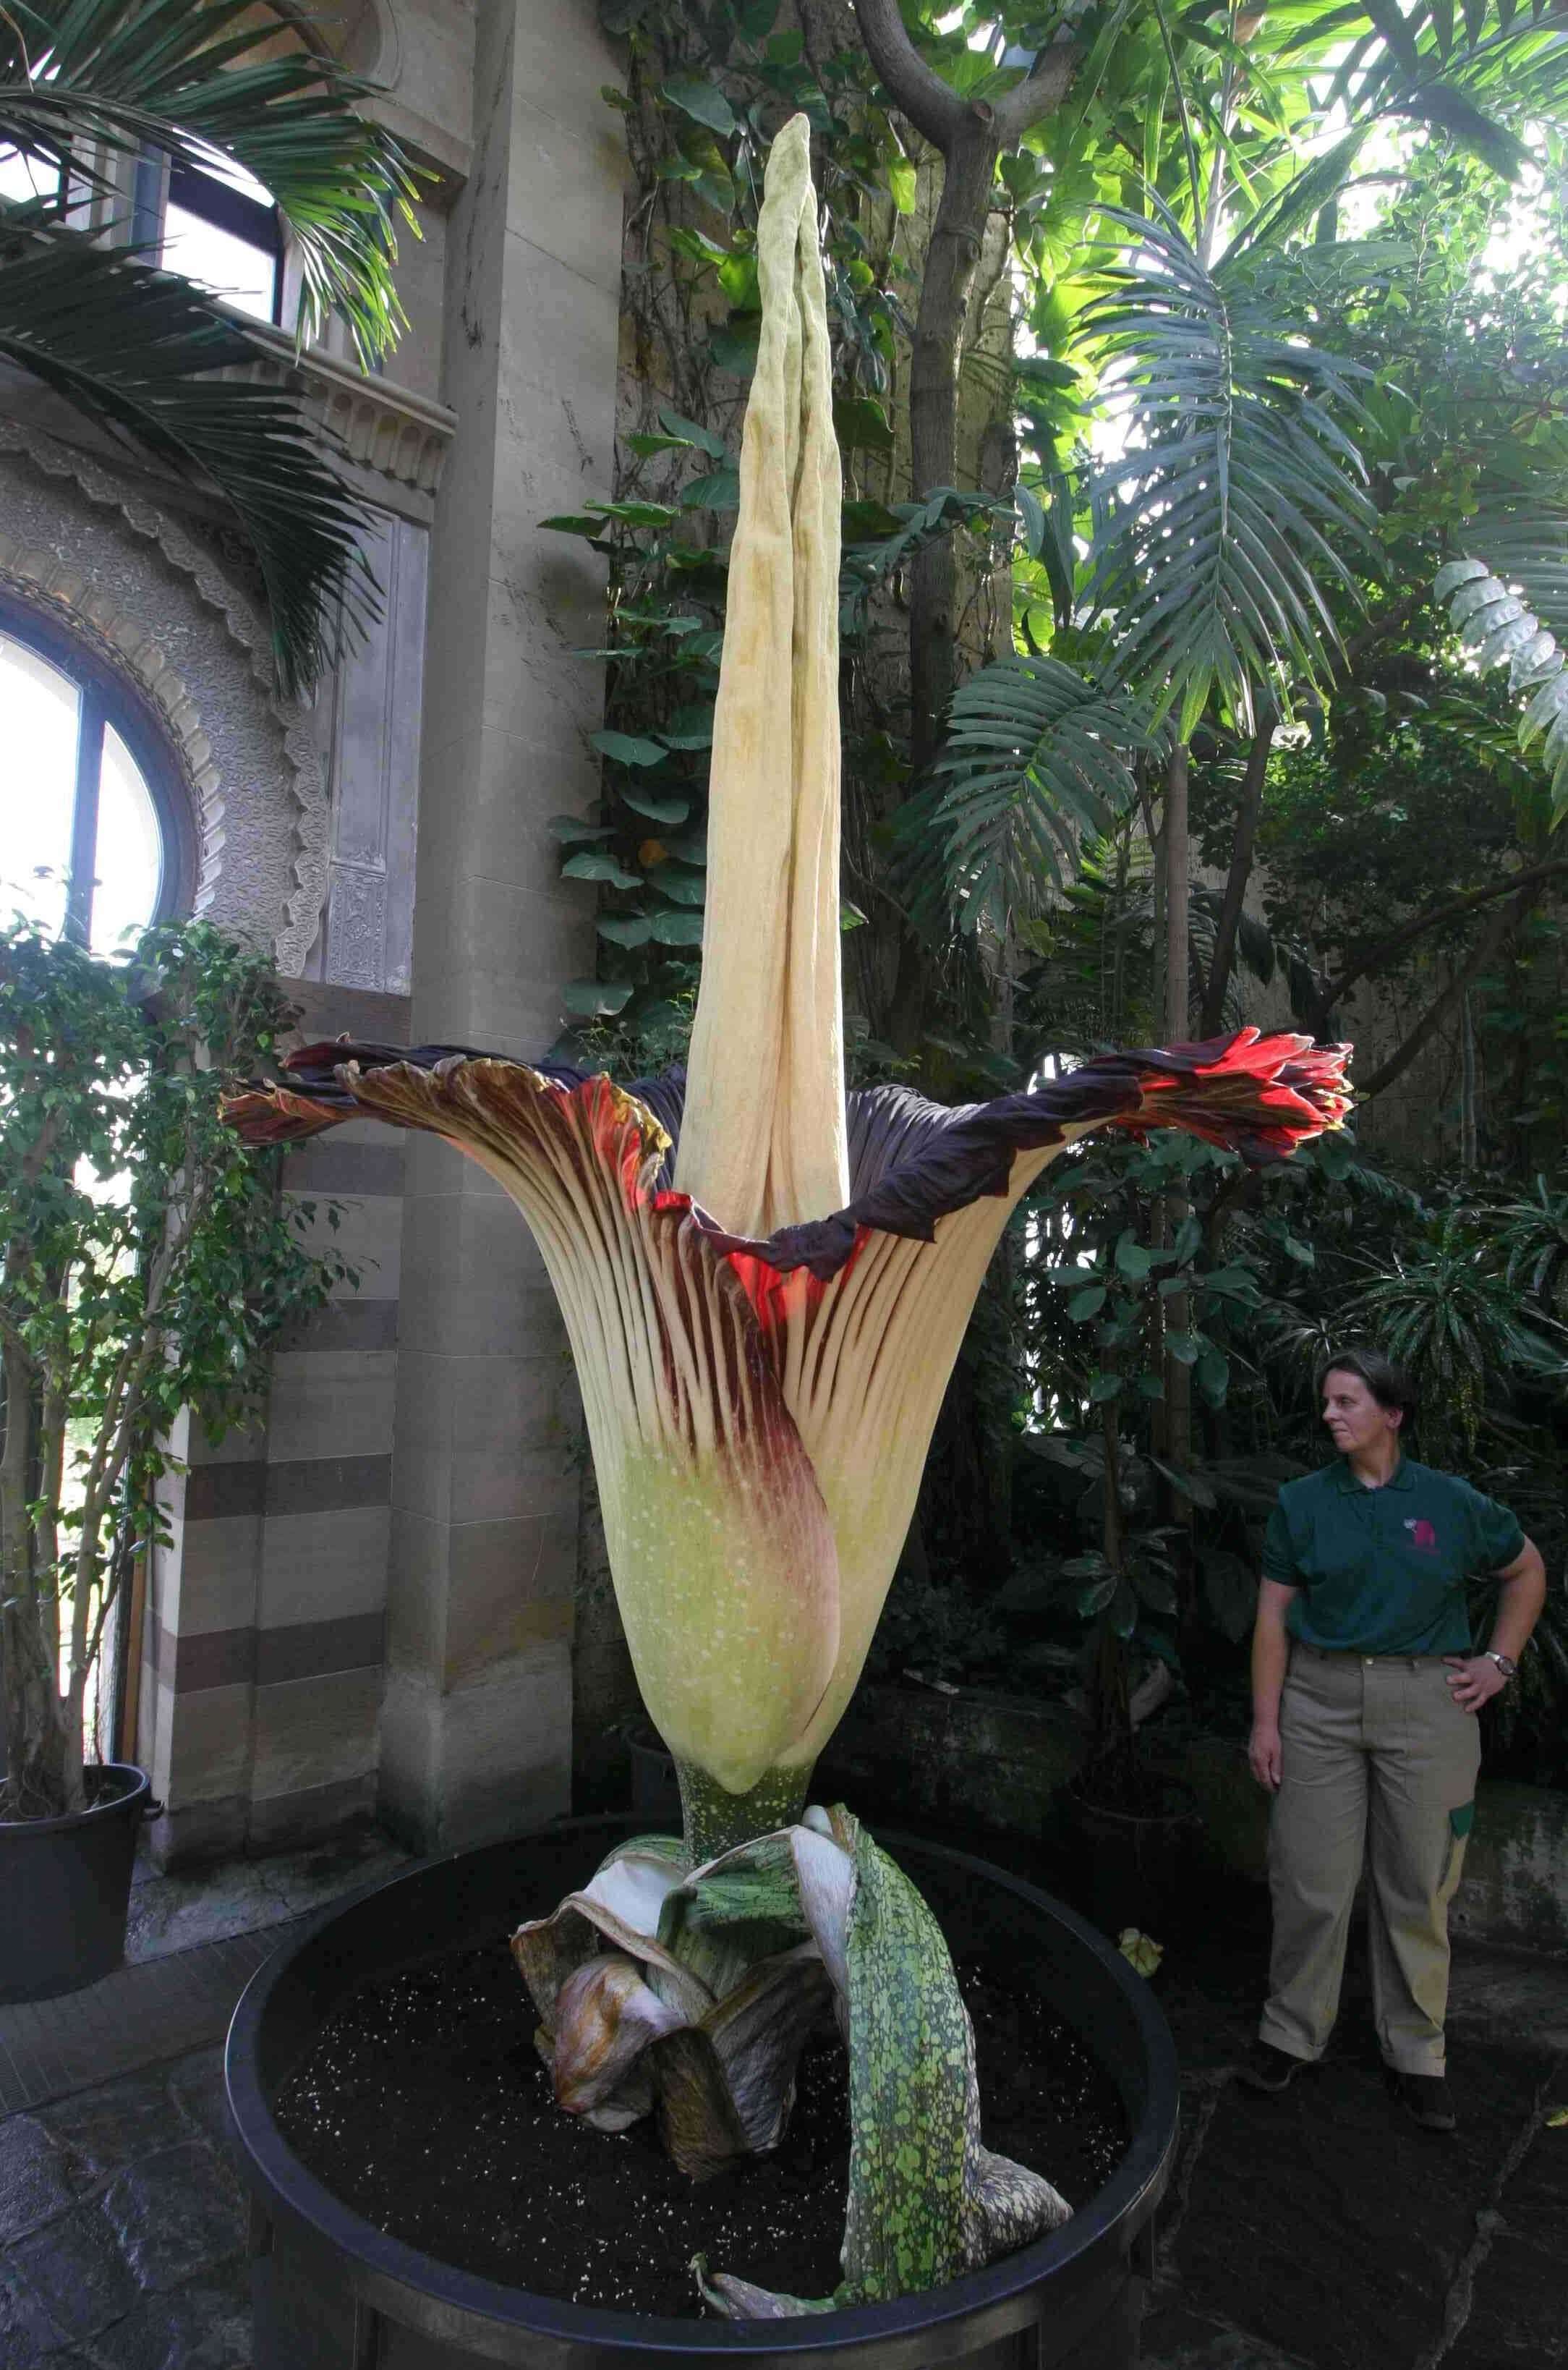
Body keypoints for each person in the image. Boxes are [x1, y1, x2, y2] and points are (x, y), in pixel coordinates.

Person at [1240, 1346, 1547, 2131]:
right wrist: (1267, 1720)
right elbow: (1272, 1617)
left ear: (1391, 1414)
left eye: (1345, 1401)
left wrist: (1498, 1662)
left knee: (1417, 1884)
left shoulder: (1449, 1503)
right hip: (1318, 1700)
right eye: (1326, 1402)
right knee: (1309, 1879)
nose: (1329, 1415)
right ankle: (1289, 2034)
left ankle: (1415, 2051)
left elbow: (1525, 1568)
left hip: (1428, 1704)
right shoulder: (1302, 1502)